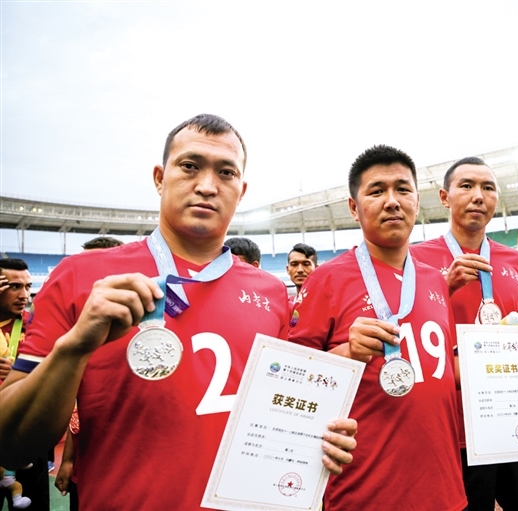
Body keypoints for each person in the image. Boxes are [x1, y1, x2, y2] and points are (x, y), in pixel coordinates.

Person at [0, 114, 357, 510]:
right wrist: (73, 349)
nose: (207, 185)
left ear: (241, 191)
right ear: (159, 178)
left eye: (225, 172)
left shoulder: (271, 293)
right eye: (189, 166)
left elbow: (282, 411)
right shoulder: (80, 276)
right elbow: (11, 446)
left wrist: (317, 438)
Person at [288, 145, 467, 511]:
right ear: (354, 208)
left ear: (417, 201)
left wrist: (515, 361)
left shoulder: (435, 280)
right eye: (376, 191)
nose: (392, 201)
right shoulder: (326, 280)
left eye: (402, 189)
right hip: (363, 492)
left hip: (445, 489)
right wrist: (348, 353)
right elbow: (288, 378)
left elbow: (443, 371)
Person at [410, 158, 518, 511]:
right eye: (466, 186)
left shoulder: (513, 260)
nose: (478, 196)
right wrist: (443, 286)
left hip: (513, 415)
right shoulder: (415, 258)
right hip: (455, 425)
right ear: (444, 197)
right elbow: (409, 333)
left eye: (488, 188)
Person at [56, 237, 125, 510]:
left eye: (95, 265)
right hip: (87, 470)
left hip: (133, 474)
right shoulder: (73, 335)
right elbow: (78, 410)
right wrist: (68, 461)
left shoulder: (151, 332)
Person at [0, 258, 49, 511]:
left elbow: (56, 376)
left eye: (27, 287)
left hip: (27, 435)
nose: (24, 295)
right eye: (14, 287)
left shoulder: (36, 325)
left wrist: (21, 375)